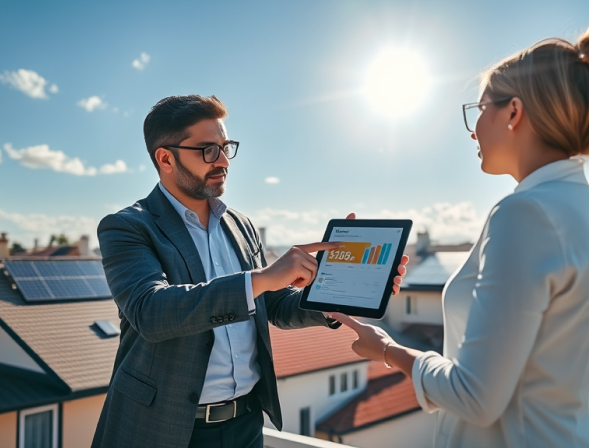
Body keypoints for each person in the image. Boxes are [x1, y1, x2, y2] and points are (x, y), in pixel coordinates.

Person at [91, 94, 407, 448]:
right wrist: (264, 278)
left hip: (245, 426)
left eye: (226, 147)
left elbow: (272, 305)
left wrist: (336, 295)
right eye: (208, 150)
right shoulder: (128, 227)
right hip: (163, 430)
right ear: (165, 158)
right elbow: (151, 311)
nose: (224, 160)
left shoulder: (241, 226)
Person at [331, 28, 589, 448]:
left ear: (514, 113)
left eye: (480, 108)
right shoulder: (577, 205)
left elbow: (475, 397)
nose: (473, 130)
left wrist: (387, 350)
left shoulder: (525, 214)